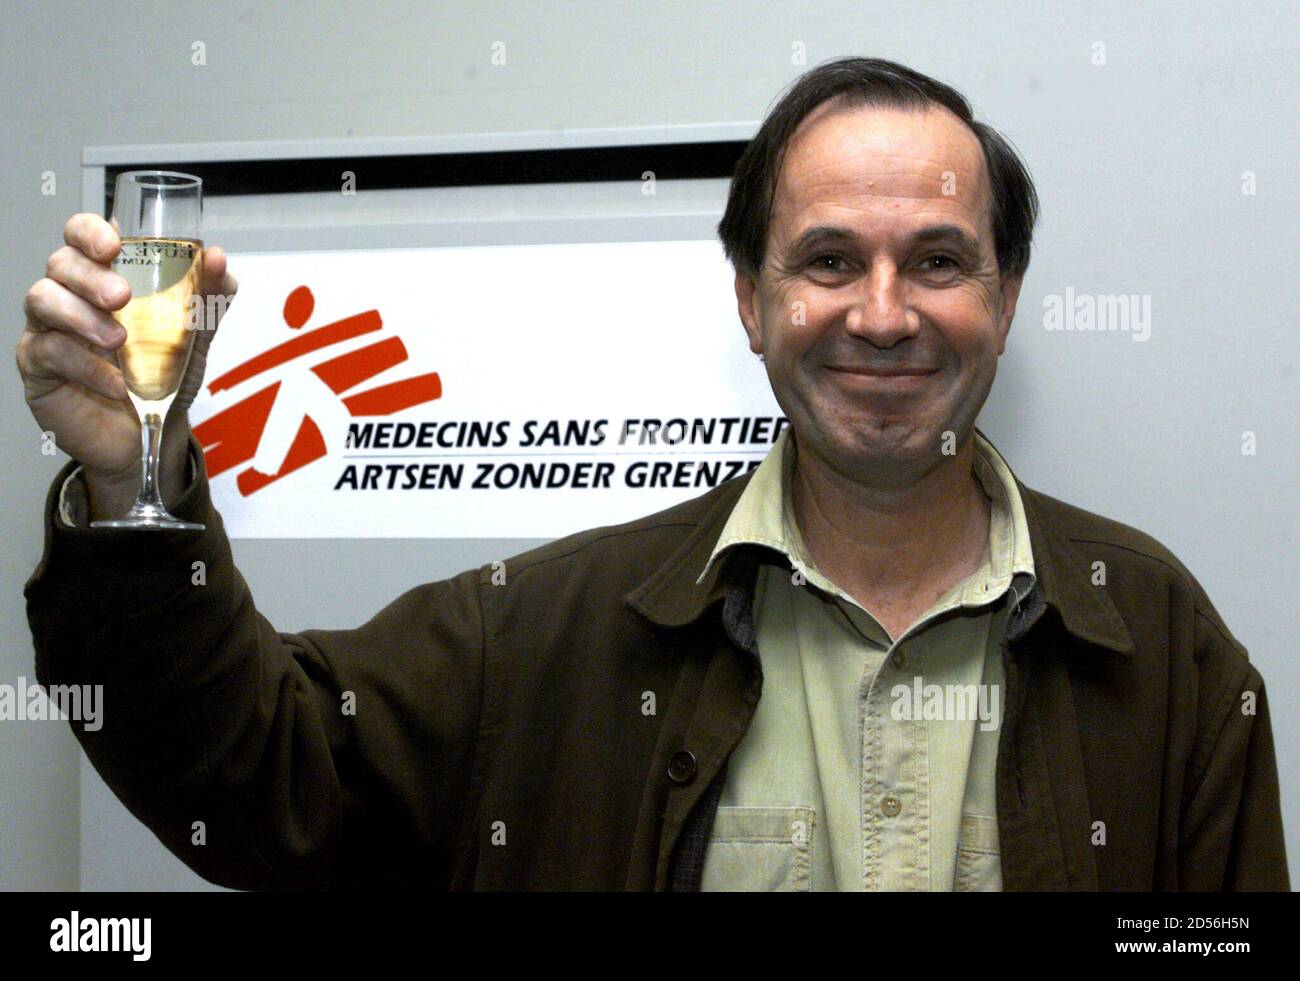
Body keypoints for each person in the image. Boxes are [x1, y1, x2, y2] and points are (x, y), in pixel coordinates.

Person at [17, 56, 1288, 891]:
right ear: (750, 300)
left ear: (1005, 301)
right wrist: (138, 492)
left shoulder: (1158, 641)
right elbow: (249, 779)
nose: (884, 315)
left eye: (940, 263)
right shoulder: (546, 635)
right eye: (829, 261)